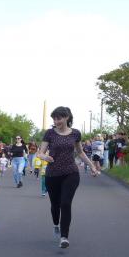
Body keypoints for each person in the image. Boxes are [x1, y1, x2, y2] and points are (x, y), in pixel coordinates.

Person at [35, 106, 98, 249]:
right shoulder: (50, 133)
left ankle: (64, 237)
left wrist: (92, 166)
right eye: (54, 119)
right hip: (52, 174)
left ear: (67, 117)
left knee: (65, 203)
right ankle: (55, 224)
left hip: (71, 173)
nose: (56, 121)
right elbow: (40, 153)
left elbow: (80, 152)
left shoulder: (75, 133)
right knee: (55, 205)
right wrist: (45, 157)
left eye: (59, 118)